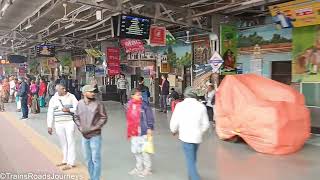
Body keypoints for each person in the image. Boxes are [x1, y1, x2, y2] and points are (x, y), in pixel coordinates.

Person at [170, 87, 210, 180]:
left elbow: (174, 121)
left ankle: (194, 177)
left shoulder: (180, 106)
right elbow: (206, 124)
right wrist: (200, 132)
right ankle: (190, 176)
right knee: (192, 158)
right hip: (197, 138)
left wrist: (173, 130)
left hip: (186, 137)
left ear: (185, 95)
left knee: (190, 160)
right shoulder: (201, 106)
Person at [74, 85, 108, 180]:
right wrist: (80, 127)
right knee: (88, 159)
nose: (93, 93)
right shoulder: (80, 104)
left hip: (95, 135)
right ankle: (92, 176)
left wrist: (94, 128)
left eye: (94, 92)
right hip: (84, 136)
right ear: (84, 93)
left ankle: (95, 178)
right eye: (90, 91)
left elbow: (103, 117)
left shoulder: (98, 104)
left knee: (95, 159)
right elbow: (76, 116)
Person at [47, 84, 79, 171]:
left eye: (59, 90)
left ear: (64, 89)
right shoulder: (54, 99)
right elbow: (50, 112)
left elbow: (78, 108)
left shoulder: (71, 97)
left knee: (70, 141)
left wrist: (69, 110)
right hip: (58, 123)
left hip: (69, 122)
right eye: (56, 90)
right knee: (63, 142)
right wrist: (49, 125)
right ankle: (65, 160)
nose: (57, 92)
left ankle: (71, 162)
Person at [127, 89, 155, 177]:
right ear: (132, 96)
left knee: (145, 151)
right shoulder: (129, 105)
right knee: (136, 151)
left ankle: (147, 169)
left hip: (144, 131)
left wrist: (150, 127)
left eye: (140, 95)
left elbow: (150, 117)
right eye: (137, 95)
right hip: (134, 131)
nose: (140, 96)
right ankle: (138, 168)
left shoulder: (144, 105)